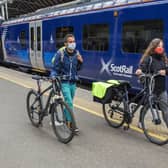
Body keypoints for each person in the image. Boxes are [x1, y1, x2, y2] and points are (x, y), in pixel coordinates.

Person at [51, 34, 83, 133]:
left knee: (69, 103)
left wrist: (80, 62)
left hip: (73, 82)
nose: (72, 43)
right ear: (65, 44)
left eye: (73, 41)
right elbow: (55, 68)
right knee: (69, 102)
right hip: (64, 82)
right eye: (70, 42)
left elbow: (77, 69)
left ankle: (65, 119)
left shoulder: (76, 53)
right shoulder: (60, 54)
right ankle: (71, 123)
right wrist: (53, 76)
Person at [135, 38, 168, 128]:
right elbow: (142, 67)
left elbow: (167, 69)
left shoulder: (164, 58)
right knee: (146, 106)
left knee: (166, 109)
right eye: (158, 46)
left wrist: (165, 72)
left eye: (162, 46)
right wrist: (139, 70)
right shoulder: (148, 59)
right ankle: (141, 122)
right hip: (151, 87)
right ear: (153, 47)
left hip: (161, 88)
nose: (161, 48)